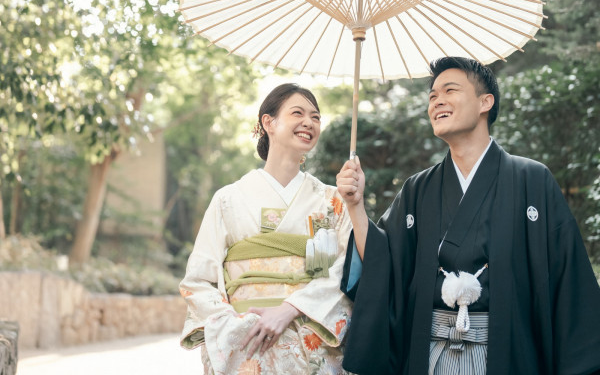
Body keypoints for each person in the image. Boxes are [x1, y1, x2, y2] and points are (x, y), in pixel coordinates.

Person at [336, 56, 600, 375]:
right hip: (430, 353)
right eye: (432, 95)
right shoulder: (418, 188)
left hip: (507, 354)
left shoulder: (532, 179)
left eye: (450, 90)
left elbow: (568, 279)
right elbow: (383, 264)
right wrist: (355, 205)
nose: (437, 101)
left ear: (485, 102)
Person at [179, 83, 353, 375]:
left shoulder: (333, 200)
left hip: (309, 339)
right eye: (298, 113)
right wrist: (233, 326)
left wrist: (290, 309)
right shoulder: (228, 199)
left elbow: (346, 272)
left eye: (316, 117)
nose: (309, 122)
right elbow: (199, 280)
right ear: (268, 122)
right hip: (245, 341)